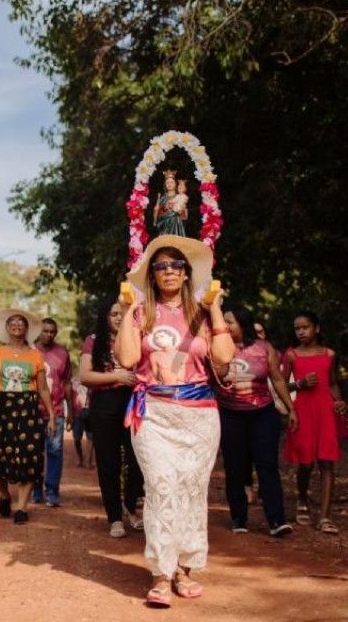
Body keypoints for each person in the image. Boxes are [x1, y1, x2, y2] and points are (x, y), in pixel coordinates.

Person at [114, 234, 234, 607]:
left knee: (191, 492)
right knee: (162, 487)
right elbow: (129, 360)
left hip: (199, 416)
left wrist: (214, 308)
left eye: (176, 265)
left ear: (186, 273)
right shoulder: (141, 312)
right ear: (151, 275)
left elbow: (225, 359)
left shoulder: (200, 313)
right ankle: (161, 574)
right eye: (161, 266)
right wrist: (127, 311)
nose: (168, 271)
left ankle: (185, 567)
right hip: (154, 413)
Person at [216, 305, 298, 537]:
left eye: (230, 321)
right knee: (234, 467)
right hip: (230, 414)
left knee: (267, 465)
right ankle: (239, 518)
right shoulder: (218, 348)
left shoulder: (264, 348)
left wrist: (291, 409)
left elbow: (278, 380)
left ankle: (276, 520)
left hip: (262, 413)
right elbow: (212, 378)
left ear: (243, 324)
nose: (225, 325)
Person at [0, 308, 57, 525]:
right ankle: (4, 495)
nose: (16, 325)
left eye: (21, 322)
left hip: (27, 409)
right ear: (6, 327)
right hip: (0, 408)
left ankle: (22, 507)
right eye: (12, 321)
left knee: (29, 456)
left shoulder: (35, 356)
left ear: (27, 329)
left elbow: (42, 389)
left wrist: (50, 415)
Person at [78, 296, 143, 538]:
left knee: (139, 461)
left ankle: (130, 504)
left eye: (122, 313)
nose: (118, 317)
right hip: (105, 405)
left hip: (136, 403)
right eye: (113, 313)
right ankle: (115, 517)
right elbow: (85, 376)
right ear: (105, 317)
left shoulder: (138, 338)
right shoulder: (94, 341)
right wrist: (117, 377)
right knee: (109, 464)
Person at [281, 310, 347, 534]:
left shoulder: (329, 354)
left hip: (326, 411)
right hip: (303, 411)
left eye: (305, 327)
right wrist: (298, 384)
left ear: (316, 328)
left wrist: (339, 402)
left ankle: (325, 517)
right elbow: (281, 385)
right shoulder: (291, 355)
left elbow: (333, 383)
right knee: (306, 463)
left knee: (327, 462)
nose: (301, 332)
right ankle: (302, 499)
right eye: (297, 328)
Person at [31, 317, 73, 507]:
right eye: (45, 331)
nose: (48, 334)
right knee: (34, 452)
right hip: (31, 411)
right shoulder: (29, 351)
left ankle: (52, 491)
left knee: (55, 451)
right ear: (39, 331)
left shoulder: (62, 353)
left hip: (55, 411)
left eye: (52, 332)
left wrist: (71, 410)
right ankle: (35, 488)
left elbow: (67, 383)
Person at [153, 170, 189, 237]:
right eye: (167, 183)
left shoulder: (180, 196)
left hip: (177, 224)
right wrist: (166, 208)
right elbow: (158, 213)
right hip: (165, 225)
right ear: (165, 185)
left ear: (176, 184)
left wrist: (181, 212)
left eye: (172, 182)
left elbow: (185, 214)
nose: (169, 184)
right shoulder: (163, 198)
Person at [70, 377, 94, 469]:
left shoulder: (92, 378)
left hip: (90, 412)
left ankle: (88, 461)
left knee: (91, 437)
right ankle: (80, 458)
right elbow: (68, 398)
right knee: (76, 438)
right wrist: (70, 414)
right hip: (77, 414)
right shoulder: (72, 381)